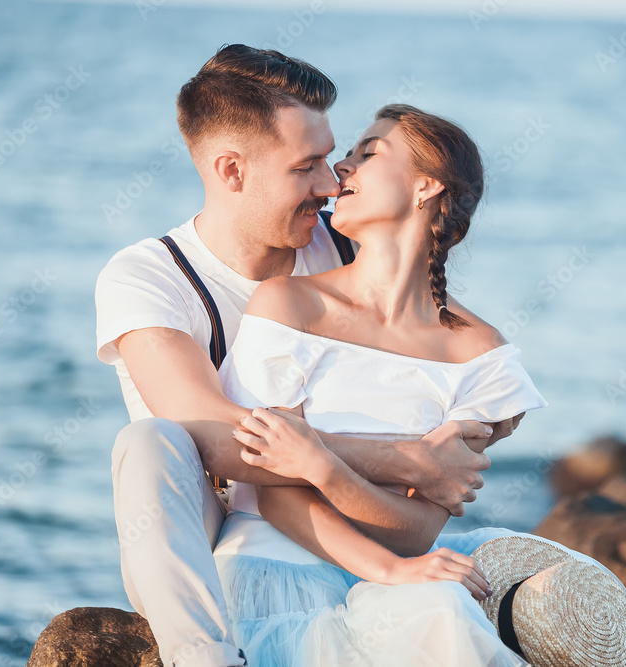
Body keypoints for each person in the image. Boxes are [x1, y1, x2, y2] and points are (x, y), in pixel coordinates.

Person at [96, 46, 519, 667]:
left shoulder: (346, 244)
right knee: (149, 443)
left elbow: (429, 317)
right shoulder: (149, 276)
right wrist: (407, 459)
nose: (330, 182)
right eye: (308, 166)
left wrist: (493, 398)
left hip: (348, 514)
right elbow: (214, 438)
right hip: (209, 522)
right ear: (232, 171)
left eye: (333, 157)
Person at [181, 104, 626, 666]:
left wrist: (320, 464)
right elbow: (275, 488)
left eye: (366, 152)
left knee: (439, 610)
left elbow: (417, 531)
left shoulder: (480, 357)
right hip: (279, 570)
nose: (338, 173)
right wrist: (386, 564)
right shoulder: (290, 304)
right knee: (438, 611)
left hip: (398, 576)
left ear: (426, 185)